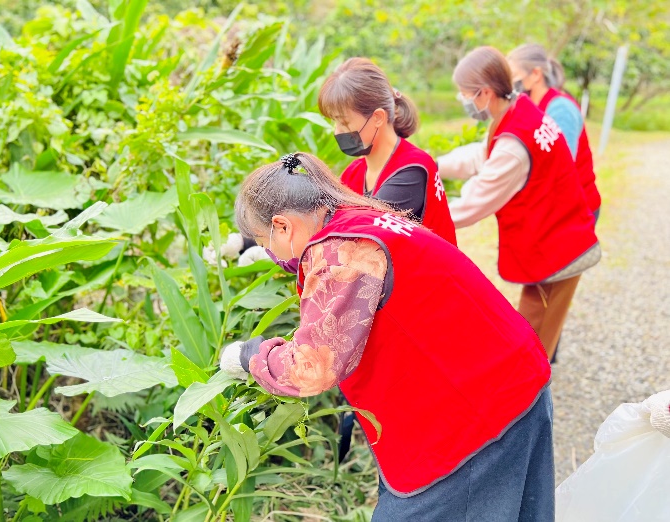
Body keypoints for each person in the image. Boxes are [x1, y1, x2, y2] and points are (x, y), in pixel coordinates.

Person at [221, 152, 554, 521]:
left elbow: (313, 367)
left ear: (283, 225)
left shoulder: (342, 255)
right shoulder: (358, 218)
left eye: (263, 240)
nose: (270, 251)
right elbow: (306, 257)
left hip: (477, 409)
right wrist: (252, 247)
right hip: (506, 373)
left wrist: (250, 355)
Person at [437, 46, 600, 361]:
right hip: (556, 234)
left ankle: (531, 405)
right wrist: (431, 165)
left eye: (464, 94)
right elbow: (483, 154)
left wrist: (423, 215)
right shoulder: (518, 112)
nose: (464, 102)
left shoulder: (515, 140)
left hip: (557, 247)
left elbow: (475, 202)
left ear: (484, 93)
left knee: (533, 346)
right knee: (533, 334)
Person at [318, 57, 456, 245]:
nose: (337, 131)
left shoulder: (412, 169)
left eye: (344, 122)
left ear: (377, 118)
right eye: (335, 122)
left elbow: (361, 235)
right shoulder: (354, 173)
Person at [508, 44, 602, 221]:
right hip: (551, 206)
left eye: (514, 75)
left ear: (536, 74)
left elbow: (561, 164)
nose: (511, 83)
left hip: (576, 209)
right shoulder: (531, 105)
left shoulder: (560, 108)